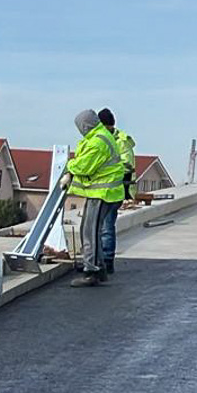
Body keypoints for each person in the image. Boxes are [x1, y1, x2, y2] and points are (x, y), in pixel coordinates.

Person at [64, 109, 125, 287]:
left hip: (103, 193)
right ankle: (98, 267)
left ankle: (92, 271)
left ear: (85, 126)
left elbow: (84, 166)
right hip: (102, 192)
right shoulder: (99, 137)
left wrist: (69, 167)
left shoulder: (98, 142)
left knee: (91, 232)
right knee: (88, 229)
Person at [97, 108, 136, 277]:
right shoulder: (100, 139)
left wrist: (103, 169)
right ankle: (98, 260)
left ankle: (107, 261)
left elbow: (127, 165)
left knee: (106, 226)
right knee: (99, 227)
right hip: (100, 190)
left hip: (114, 190)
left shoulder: (121, 141)